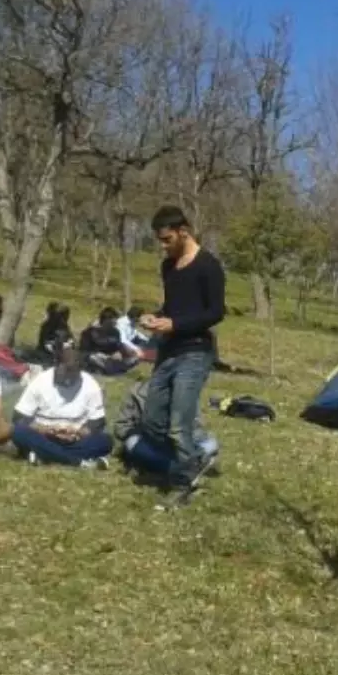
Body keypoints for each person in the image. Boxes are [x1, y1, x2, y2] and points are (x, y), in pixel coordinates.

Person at [138, 205, 226, 490]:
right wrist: (157, 317)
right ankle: (198, 453)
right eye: (160, 241)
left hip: (196, 351)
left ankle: (184, 479)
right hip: (168, 350)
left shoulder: (208, 266)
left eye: (167, 240)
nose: (163, 247)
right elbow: (174, 307)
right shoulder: (168, 267)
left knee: (179, 422)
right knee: (152, 418)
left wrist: (175, 324)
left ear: (183, 232)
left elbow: (215, 312)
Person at [11, 334, 112, 468]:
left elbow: (97, 423)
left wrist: (77, 433)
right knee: (18, 432)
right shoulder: (40, 381)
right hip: (44, 434)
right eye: (67, 370)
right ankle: (78, 461)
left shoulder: (90, 384)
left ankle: (45, 455)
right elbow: (19, 417)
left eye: (75, 372)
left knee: (105, 441)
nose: (70, 376)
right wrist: (46, 430)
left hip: (75, 437)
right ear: (56, 365)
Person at [113, 378, 218, 486]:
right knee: (131, 442)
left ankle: (187, 464)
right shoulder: (136, 391)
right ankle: (180, 467)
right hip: (149, 442)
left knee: (211, 443)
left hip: (179, 442)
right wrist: (141, 430)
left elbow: (196, 425)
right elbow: (121, 426)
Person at [79, 306, 139, 375]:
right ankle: (117, 368)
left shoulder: (115, 332)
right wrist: (102, 355)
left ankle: (115, 368)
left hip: (112, 359)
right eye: (114, 320)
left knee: (134, 357)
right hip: (96, 357)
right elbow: (84, 352)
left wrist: (119, 352)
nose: (116, 323)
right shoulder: (89, 332)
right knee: (94, 357)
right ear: (106, 320)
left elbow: (119, 346)